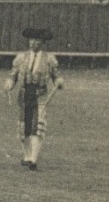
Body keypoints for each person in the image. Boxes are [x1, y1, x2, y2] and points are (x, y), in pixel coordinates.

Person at [4, 26, 64, 170]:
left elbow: (56, 76)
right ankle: (27, 156)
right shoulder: (21, 58)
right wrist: (9, 84)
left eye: (36, 40)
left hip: (40, 95)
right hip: (24, 95)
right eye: (31, 40)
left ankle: (34, 159)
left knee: (38, 126)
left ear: (42, 42)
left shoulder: (49, 59)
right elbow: (13, 76)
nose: (33, 43)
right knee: (24, 127)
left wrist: (59, 82)